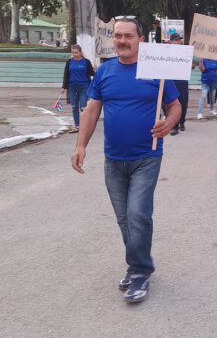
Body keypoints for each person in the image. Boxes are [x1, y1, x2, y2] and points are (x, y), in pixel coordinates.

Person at [71, 17, 181, 303]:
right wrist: (80, 145)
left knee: (137, 215)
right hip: (113, 160)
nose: (122, 41)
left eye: (128, 36)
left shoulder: (156, 71)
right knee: (124, 220)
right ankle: (136, 266)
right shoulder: (105, 72)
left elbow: (175, 104)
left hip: (147, 156)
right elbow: (92, 111)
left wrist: (169, 123)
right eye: (118, 36)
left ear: (140, 39)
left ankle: (141, 272)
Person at [60, 44, 95, 131]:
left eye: (76, 52)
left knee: (83, 107)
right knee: (74, 107)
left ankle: (84, 126)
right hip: (72, 87)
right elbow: (66, 75)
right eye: (73, 53)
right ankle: (77, 126)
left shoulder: (86, 62)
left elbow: (92, 73)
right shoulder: (69, 62)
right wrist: (63, 87)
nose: (74, 54)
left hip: (84, 86)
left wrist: (95, 70)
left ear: (80, 52)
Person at [168, 33, 189, 135]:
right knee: (173, 103)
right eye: (176, 40)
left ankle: (182, 122)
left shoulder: (185, 52)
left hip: (183, 81)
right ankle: (174, 126)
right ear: (171, 41)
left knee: (183, 103)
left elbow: (192, 66)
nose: (178, 42)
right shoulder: (166, 52)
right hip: (171, 81)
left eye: (179, 40)